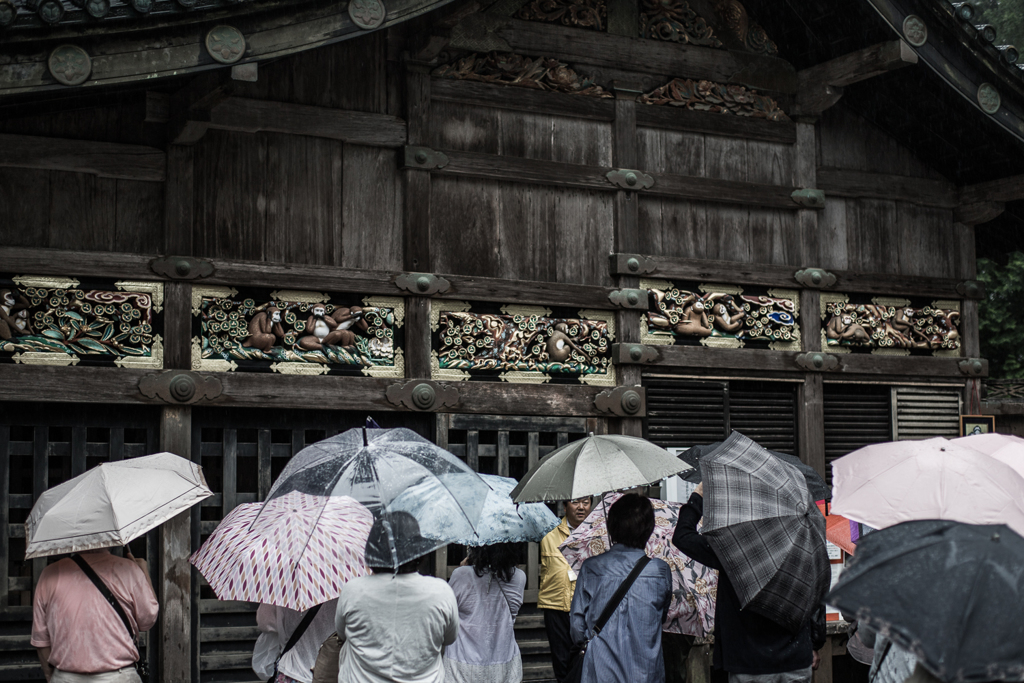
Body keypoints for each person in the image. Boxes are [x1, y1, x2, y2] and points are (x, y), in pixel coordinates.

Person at [672, 483, 826, 683]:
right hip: (795, 658)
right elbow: (817, 596)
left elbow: (683, 537)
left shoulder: (737, 547)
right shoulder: (803, 544)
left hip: (749, 661)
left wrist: (697, 498)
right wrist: (814, 643)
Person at [334, 513, 459, 683]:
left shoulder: (353, 590)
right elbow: (450, 638)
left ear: (372, 549)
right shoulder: (442, 592)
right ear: (419, 550)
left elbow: (341, 633)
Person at [569, 494, 673, 683]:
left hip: (599, 672)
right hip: (646, 674)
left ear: (611, 527)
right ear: (649, 529)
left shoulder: (591, 568)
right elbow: (661, 616)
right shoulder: (660, 570)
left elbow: (577, 629)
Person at [31, 547, 159, 683]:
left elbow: (41, 640)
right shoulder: (128, 569)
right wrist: (143, 571)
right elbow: (148, 619)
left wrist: (54, 678)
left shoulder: (49, 574)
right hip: (119, 677)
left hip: (65, 677)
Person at [442, 543, 526, 683]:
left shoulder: (462, 575)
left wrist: (464, 567)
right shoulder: (518, 577)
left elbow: (448, 614)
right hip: (504, 661)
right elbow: (512, 616)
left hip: (463, 663)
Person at [539, 496, 591, 682]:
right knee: (561, 662)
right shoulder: (548, 532)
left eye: (586, 502)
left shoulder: (595, 535)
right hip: (555, 606)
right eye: (576, 502)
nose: (581, 507)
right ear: (564, 505)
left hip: (586, 608)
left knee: (585, 661)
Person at [252, 598, 338, 683]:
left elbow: (264, 621)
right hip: (331, 673)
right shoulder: (340, 589)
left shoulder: (282, 588)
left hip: (293, 670)